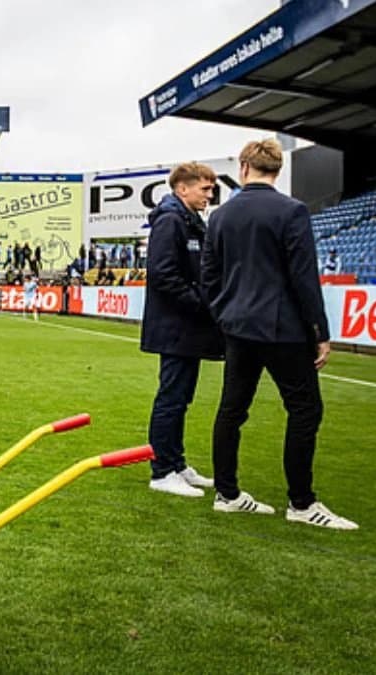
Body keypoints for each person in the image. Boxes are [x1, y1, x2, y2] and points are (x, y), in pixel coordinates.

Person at [202, 140, 356, 529]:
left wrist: (225, 315)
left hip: (239, 328)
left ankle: (227, 493)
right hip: (283, 329)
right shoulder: (292, 211)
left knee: (232, 410)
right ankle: (301, 503)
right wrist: (319, 331)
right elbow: (304, 277)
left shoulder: (220, 216)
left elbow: (209, 277)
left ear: (243, 167)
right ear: (277, 169)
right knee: (305, 410)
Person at [140, 162, 223, 498]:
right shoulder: (171, 220)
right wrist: (201, 303)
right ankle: (161, 471)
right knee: (171, 398)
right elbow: (163, 274)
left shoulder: (189, 220)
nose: (210, 194)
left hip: (186, 328)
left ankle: (176, 463)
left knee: (181, 398)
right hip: (174, 327)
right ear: (182, 188)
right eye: (205, 188)